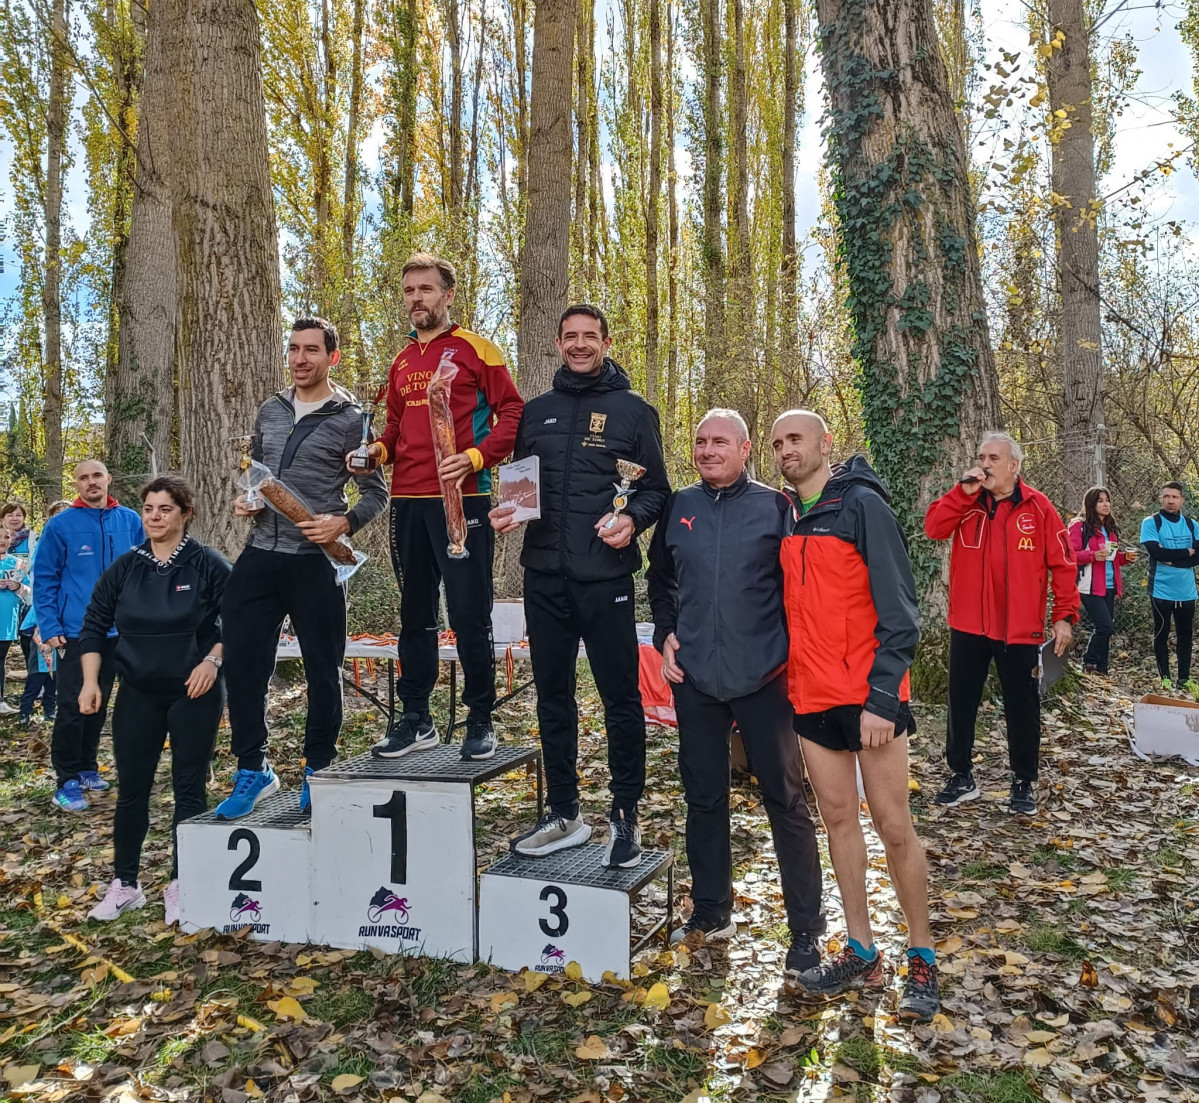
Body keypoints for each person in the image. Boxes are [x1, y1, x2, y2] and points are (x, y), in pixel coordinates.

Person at [770, 410, 939, 1023]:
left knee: (895, 827)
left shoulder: (863, 506)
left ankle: (921, 955)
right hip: (811, 698)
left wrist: (882, 698)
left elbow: (901, 611)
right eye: (778, 443)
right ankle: (862, 947)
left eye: (796, 439)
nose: (786, 450)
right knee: (839, 822)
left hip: (869, 699)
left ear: (823, 444)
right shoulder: (785, 514)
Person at [646, 409, 825, 974]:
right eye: (699, 441)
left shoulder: (777, 507)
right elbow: (660, 580)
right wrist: (666, 632)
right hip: (696, 679)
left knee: (787, 802)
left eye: (719, 441)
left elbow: (802, 587)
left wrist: (794, 659)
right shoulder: (680, 507)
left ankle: (805, 930)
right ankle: (710, 907)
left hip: (765, 679)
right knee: (704, 797)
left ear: (746, 449)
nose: (706, 450)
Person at [490, 304, 669, 868]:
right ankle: (565, 812)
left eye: (591, 335)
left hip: (606, 580)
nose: (580, 345)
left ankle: (625, 817)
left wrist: (632, 521)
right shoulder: (535, 412)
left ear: (607, 341)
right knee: (552, 698)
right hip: (543, 578)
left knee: (620, 699)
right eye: (571, 336)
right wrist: (508, 513)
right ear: (559, 343)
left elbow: (657, 491)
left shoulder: (635, 412)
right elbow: (520, 487)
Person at [215, 317, 388, 819]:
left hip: (315, 562)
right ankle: (253, 769)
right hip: (260, 556)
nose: (300, 358)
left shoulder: (352, 419)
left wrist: (344, 523)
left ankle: (319, 768)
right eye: (293, 349)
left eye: (311, 350)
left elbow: (377, 493)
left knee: (323, 669)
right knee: (244, 664)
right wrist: (247, 500)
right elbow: (257, 476)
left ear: (332, 357)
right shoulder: (270, 410)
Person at [354, 254, 524, 761]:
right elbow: (392, 426)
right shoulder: (401, 360)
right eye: (409, 291)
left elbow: (513, 411)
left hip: (464, 500)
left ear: (448, 295)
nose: (417, 300)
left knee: (470, 612)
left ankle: (479, 718)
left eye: (426, 290)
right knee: (414, 615)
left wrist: (475, 457)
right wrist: (375, 453)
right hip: (407, 501)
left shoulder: (477, 350)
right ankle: (416, 718)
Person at [79, 477, 231, 924]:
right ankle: (126, 884)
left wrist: (213, 660)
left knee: (188, 788)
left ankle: (184, 883)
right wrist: (91, 683)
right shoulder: (126, 567)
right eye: (148, 508)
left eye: (165, 509)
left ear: (185, 513)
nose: (155, 517)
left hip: (194, 691)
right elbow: (93, 625)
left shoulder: (208, 564)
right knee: (132, 791)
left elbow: (242, 620)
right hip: (138, 692)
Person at [925, 431, 1079, 816]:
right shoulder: (966, 503)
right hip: (969, 626)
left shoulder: (1039, 508)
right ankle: (961, 774)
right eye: (982, 457)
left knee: (1022, 706)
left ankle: (1023, 780)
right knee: (961, 702)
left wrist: (1063, 616)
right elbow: (933, 527)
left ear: (1014, 465)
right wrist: (961, 493)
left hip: (1020, 628)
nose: (985, 464)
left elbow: (1063, 565)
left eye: (994, 457)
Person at [33, 461, 144, 813]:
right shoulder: (60, 525)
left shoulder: (130, 521)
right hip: (76, 632)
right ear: (76, 484)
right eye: (83, 477)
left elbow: (146, 569)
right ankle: (65, 780)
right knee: (71, 705)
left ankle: (86, 767)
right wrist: (50, 627)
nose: (91, 482)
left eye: (97, 475)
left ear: (108, 479)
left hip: (119, 630)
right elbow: (45, 578)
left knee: (98, 701)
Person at [1069, 487, 1136, 677]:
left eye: (1108, 500)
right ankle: (1089, 662)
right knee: (1106, 627)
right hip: (1089, 586)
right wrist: (1093, 555)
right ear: (1091, 504)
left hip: (1110, 585)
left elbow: (1111, 558)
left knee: (1105, 629)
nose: (1106, 504)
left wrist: (1124, 558)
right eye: (1100, 501)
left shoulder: (1109, 527)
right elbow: (1070, 555)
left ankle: (1102, 668)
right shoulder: (1079, 526)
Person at [1139, 482, 1199, 693]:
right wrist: (1187, 552)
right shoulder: (1151, 523)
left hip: (1187, 591)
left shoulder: (1192, 525)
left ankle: (1184, 679)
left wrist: (1175, 559)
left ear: (1182, 500)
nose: (1170, 500)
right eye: (1166, 496)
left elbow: (1198, 555)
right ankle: (1165, 678)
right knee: (1161, 634)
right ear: (1161, 499)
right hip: (1161, 590)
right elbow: (1157, 553)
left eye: (1174, 497)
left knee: (1185, 636)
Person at [0, 524, 31, 714]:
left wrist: (17, 585)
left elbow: (28, 591)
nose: (2, 541)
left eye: (6, 537)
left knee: (0, 659)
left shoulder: (17, 563)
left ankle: (0, 700)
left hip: (6, 620)